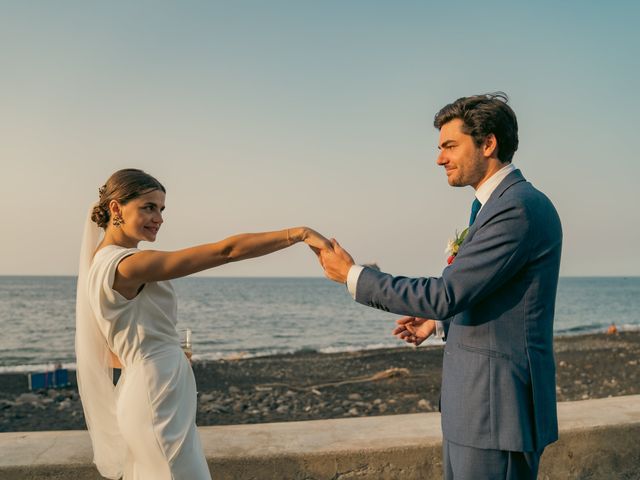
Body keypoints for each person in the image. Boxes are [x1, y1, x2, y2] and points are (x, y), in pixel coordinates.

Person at [317, 93, 562, 479]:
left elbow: (445, 294)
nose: (439, 158)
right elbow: (488, 295)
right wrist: (437, 323)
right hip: (478, 410)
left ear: (487, 143)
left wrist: (353, 275)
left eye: (450, 146)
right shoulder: (494, 206)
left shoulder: (517, 208)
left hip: (497, 413)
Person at [75, 168, 330, 480]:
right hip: (156, 395)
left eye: (161, 209)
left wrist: (158, 355)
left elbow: (108, 348)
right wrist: (298, 234)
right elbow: (226, 251)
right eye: (148, 207)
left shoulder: (99, 264)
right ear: (116, 208)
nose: (159, 218)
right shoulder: (128, 265)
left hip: (150, 387)